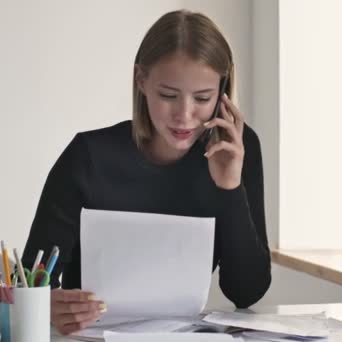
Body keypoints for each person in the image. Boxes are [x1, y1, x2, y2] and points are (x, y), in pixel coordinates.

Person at [22, 9, 271, 335]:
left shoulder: (236, 150)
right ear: (142, 81)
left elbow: (246, 293)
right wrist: (46, 304)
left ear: (222, 93)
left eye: (202, 98)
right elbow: (31, 278)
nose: (184, 115)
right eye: (168, 95)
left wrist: (229, 187)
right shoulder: (88, 156)